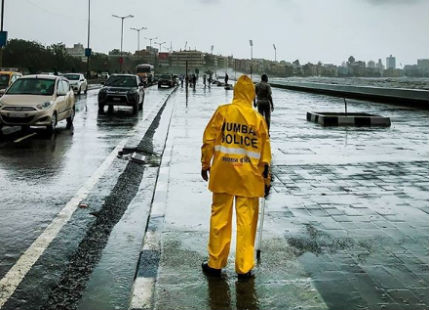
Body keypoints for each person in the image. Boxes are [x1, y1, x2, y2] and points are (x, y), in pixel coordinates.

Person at [201, 75, 271, 279]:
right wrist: (266, 181)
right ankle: (244, 267)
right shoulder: (258, 119)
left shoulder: (223, 112)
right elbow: (265, 155)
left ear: (235, 92)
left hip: (223, 174)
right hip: (249, 179)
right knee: (246, 223)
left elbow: (209, 139)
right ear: (252, 94)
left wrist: (205, 163)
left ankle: (215, 264)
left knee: (219, 220)